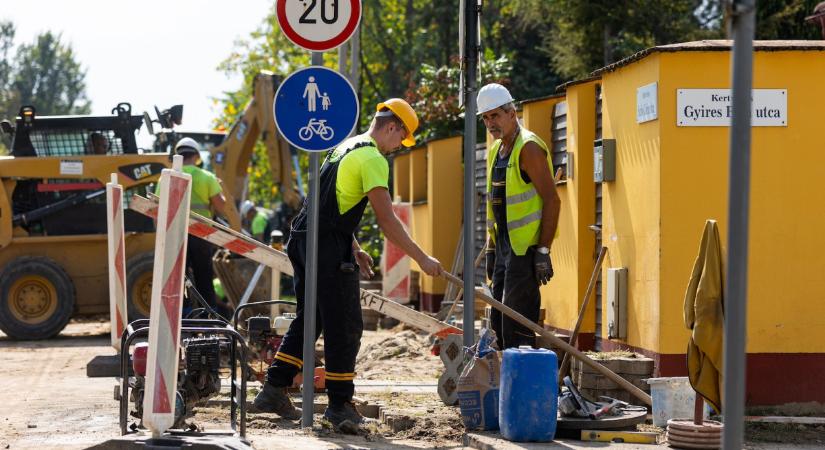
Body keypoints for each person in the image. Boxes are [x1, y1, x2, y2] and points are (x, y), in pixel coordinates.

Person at [253, 98, 444, 432]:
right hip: (326, 245)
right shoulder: (373, 158)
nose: (399, 146)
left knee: (310, 317)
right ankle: (340, 405)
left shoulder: (344, 147)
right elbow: (387, 221)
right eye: (401, 138)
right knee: (345, 324)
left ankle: (273, 389)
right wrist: (422, 258)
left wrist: (353, 246)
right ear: (392, 127)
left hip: (304, 239)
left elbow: (325, 201)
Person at [477, 83, 561, 350]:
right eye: (486, 118)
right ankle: (504, 384)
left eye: (496, 115)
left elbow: (552, 200)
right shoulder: (496, 151)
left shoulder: (529, 148)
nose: (491, 123)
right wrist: (492, 251)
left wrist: (543, 251)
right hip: (503, 249)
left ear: (512, 113)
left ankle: (523, 388)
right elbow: (496, 209)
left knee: (517, 324)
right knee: (499, 320)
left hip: (525, 251)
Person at [157, 137, 226, 312]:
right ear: (196, 156)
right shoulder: (207, 177)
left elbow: (157, 211)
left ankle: (182, 317)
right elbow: (221, 206)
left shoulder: (166, 178)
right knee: (204, 278)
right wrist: (220, 189)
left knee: (178, 279)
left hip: (175, 235)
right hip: (201, 236)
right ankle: (208, 318)